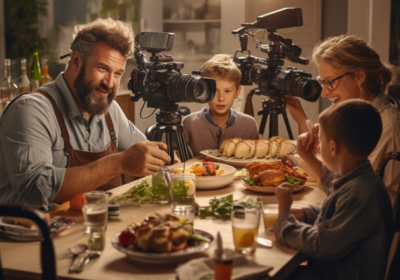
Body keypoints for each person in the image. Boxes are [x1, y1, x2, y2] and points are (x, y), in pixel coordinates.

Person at [0, 18, 170, 210]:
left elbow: (143, 153)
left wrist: (165, 161)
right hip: (32, 234)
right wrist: (118, 163)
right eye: (102, 68)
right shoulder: (31, 110)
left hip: (94, 227)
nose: (110, 83)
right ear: (76, 61)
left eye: (117, 73)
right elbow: (34, 190)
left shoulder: (109, 109)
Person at [274, 99, 394, 280]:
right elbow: (335, 211)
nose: (318, 145)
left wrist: (284, 217)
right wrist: (301, 213)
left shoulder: (361, 193)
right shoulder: (359, 178)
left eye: (320, 141)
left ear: (332, 147)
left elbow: (321, 245)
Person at [286, 34, 400, 205]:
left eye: (330, 82)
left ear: (359, 77)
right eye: (322, 82)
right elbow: (342, 181)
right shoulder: (357, 120)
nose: (324, 93)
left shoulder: (388, 130)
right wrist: (310, 152)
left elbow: (365, 205)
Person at [182, 54, 259, 157]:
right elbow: (174, 151)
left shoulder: (249, 124)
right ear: (205, 92)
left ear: (237, 92)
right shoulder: (189, 123)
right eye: (215, 91)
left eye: (227, 91)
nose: (221, 98)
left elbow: (254, 157)